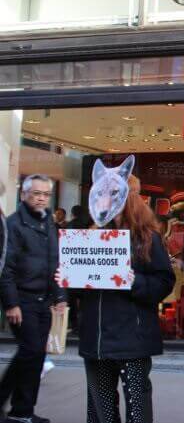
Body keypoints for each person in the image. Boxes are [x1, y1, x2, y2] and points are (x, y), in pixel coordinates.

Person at [57, 174, 174, 423]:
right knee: (102, 409)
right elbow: (80, 289)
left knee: (137, 407)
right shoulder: (89, 236)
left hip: (132, 338)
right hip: (96, 337)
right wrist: (67, 279)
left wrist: (133, 281)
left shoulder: (146, 237)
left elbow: (164, 282)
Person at [0, 174, 67, 423]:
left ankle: (23, 411)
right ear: (24, 194)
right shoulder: (13, 224)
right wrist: (11, 303)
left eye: (46, 194)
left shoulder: (48, 223)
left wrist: (59, 295)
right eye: (36, 193)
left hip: (43, 300)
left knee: (35, 355)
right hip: (22, 299)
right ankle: (15, 408)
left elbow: (55, 262)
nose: (41, 199)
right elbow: (5, 267)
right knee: (29, 352)